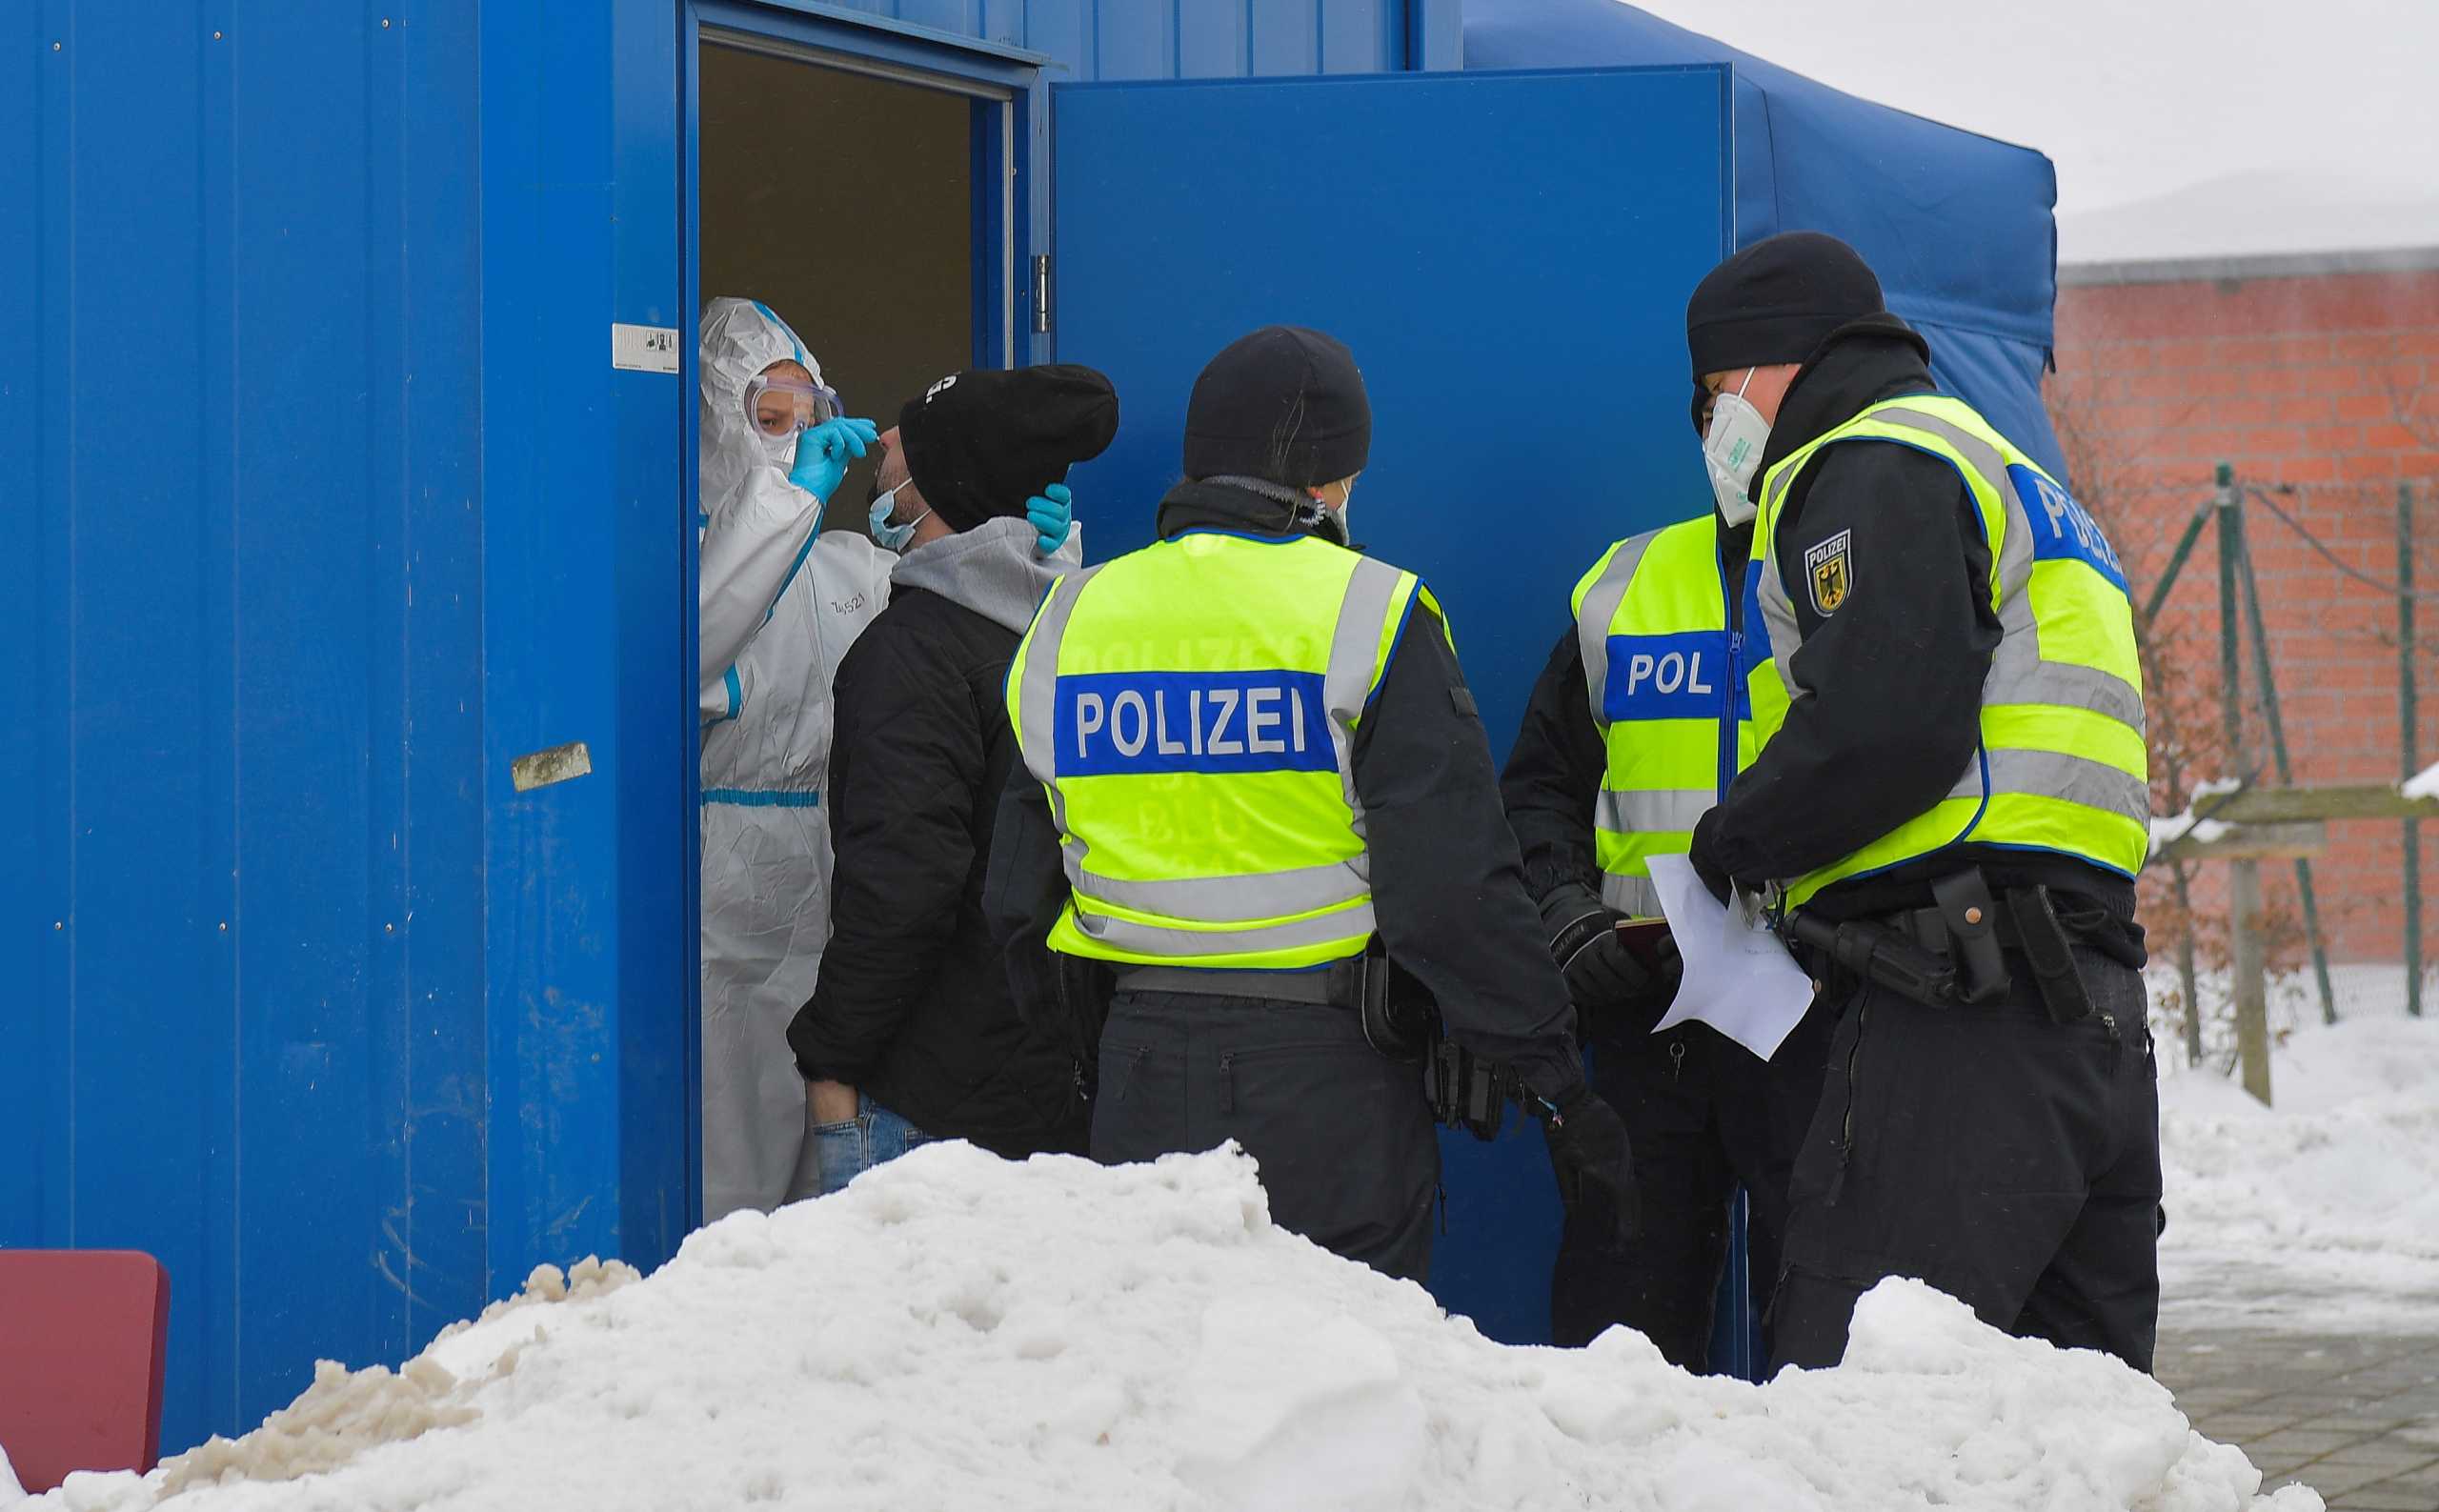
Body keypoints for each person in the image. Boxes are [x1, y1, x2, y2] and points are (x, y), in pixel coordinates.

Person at [984, 325, 1636, 1283]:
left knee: (1157, 1349)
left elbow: (1014, 896)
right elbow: (1451, 891)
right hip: (1325, 1087)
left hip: (1136, 1071)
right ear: (1328, 481)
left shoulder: (1071, 618)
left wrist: (1092, 1065)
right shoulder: (1369, 612)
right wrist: (1556, 1084)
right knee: (1336, 1357)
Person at [1676, 232, 2158, 1373]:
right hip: (2083, 1007)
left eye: (1716, 391)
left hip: (1961, 1012)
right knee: (2073, 1419)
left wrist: (1733, 842)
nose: (1712, 425)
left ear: (1775, 363)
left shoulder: (1870, 461)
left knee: (1862, 1385)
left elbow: (1885, 721)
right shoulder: (2014, 473)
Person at [693, 297, 1075, 1220]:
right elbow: (691, 649)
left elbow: (981, 613)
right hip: (729, 910)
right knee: (731, 1176)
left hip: (846, 892)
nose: (796, 440)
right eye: (769, 419)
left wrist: (1042, 549)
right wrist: (786, 505)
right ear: (712, 425)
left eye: (810, 415)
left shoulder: (851, 567)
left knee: (826, 1180)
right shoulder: (696, 568)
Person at [1502, 456, 1835, 1366]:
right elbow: (1540, 789)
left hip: (1815, 1014)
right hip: (1647, 1017)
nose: (1728, 427)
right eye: (1710, 403)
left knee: (1828, 1343)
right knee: (1622, 1345)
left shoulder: (1854, 570)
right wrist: (1568, 913)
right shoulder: (1627, 583)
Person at [788, 364, 1119, 1190]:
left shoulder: (911, 654)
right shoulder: (1066, 642)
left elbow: (904, 887)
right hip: (1045, 1088)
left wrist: (829, 1052)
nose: (882, 441)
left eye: (906, 441)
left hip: (927, 1108)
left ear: (942, 487)